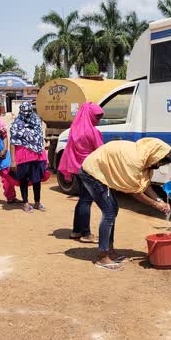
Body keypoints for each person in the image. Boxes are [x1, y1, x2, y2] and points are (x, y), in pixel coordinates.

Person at [81, 138, 171, 269]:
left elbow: (143, 185)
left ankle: (110, 251)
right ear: (155, 155)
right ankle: (103, 257)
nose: (158, 166)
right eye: (160, 163)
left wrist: (160, 200)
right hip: (92, 173)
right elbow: (134, 192)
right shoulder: (135, 162)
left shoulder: (145, 157)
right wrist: (154, 204)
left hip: (101, 171)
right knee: (109, 212)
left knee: (112, 210)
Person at [58, 102, 104, 243]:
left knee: (82, 199)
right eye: (97, 116)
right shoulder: (92, 132)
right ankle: (86, 233)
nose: (98, 120)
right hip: (88, 169)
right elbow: (100, 150)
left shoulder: (75, 130)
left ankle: (76, 231)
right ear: (90, 115)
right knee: (86, 201)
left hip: (77, 168)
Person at [9, 101, 48, 212]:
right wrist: (13, 160)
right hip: (22, 156)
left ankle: (37, 202)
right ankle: (25, 203)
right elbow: (13, 142)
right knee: (23, 180)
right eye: (24, 112)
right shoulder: (16, 123)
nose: (26, 114)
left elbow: (40, 140)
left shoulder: (36, 121)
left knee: (37, 180)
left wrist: (44, 156)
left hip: (36, 156)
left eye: (28, 112)